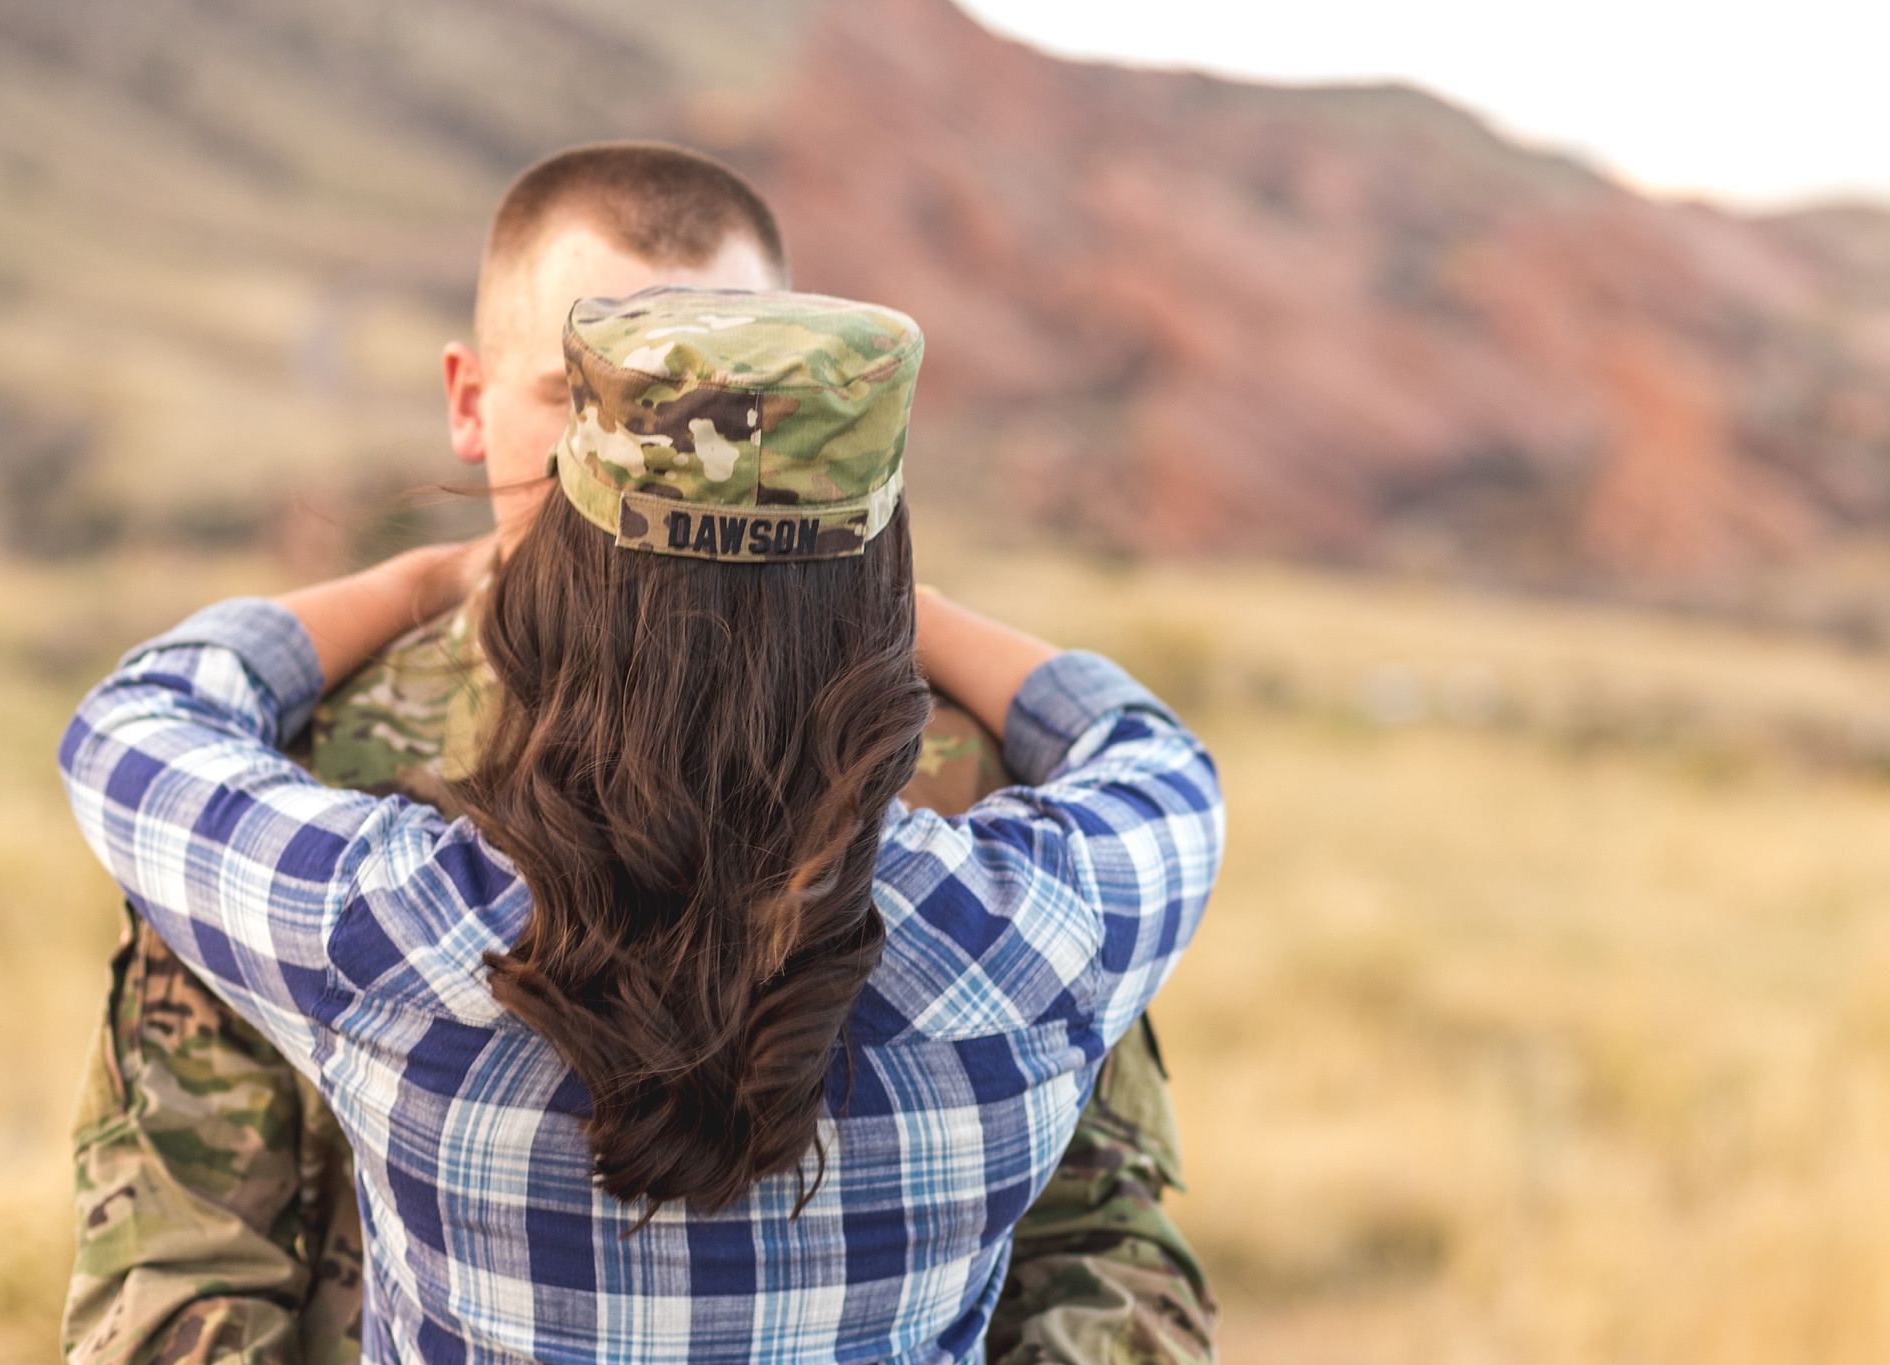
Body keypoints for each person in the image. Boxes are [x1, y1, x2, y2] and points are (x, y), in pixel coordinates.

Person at [64, 145, 1215, 1365]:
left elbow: (1099, 1250)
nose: (683, 447)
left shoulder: (357, 888)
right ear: (470, 400)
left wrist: (398, 577)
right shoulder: (1034, 900)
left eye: (743, 413)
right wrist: (868, 592)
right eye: (601, 394)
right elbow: (184, 1258)